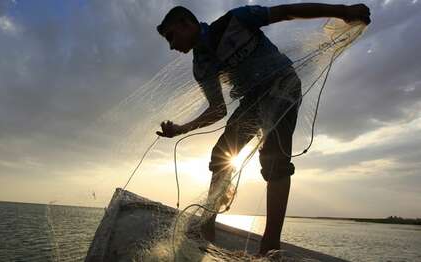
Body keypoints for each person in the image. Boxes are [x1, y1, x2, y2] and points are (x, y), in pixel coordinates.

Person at [155, 3, 370, 255]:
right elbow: (217, 109)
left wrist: (343, 12)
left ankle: (270, 245)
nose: (171, 45)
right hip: (253, 100)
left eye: (171, 36)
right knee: (221, 155)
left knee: (274, 160)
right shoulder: (201, 65)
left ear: (186, 24)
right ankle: (207, 227)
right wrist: (181, 129)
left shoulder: (236, 20)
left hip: (282, 83)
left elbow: (286, 12)